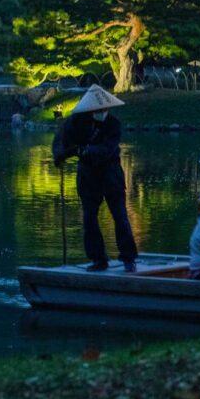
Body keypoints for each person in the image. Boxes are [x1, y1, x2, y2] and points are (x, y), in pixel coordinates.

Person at [52, 84, 138, 273]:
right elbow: (61, 141)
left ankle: (128, 258)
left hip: (110, 175)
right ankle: (98, 259)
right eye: (99, 109)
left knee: (120, 216)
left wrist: (87, 150)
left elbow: (108, 149)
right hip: (88, 176)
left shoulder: (113, 124)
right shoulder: (75, 123)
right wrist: (59, 155)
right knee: (89, 218)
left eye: (105, 109)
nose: (103, 112)